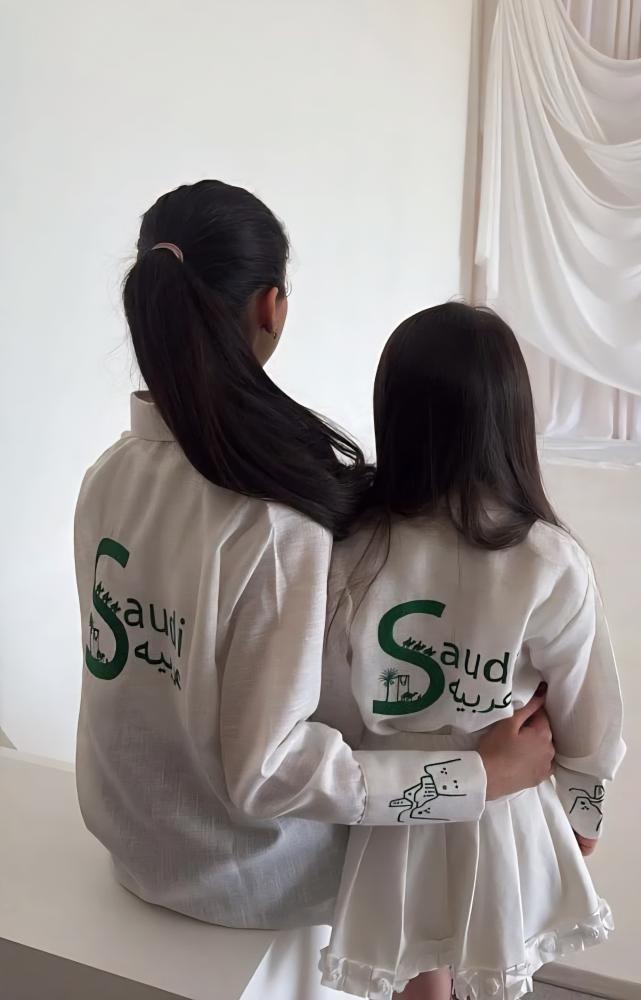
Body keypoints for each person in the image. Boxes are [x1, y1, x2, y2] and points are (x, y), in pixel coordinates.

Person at [74, 182, 554, 931]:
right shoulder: (272, 522)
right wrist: (480, 776)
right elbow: (268, 772)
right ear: (272, 307)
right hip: (250, 878)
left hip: (131, 847)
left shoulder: (108, 475)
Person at [318, 302, 626, 1000]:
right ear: (510, 420)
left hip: (396, 805)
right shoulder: (546, 560)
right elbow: (590, 709)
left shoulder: (351, 550)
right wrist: (583, 806)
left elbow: (332, 709)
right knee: (494, 958)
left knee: (415, 967)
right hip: (504, 805)